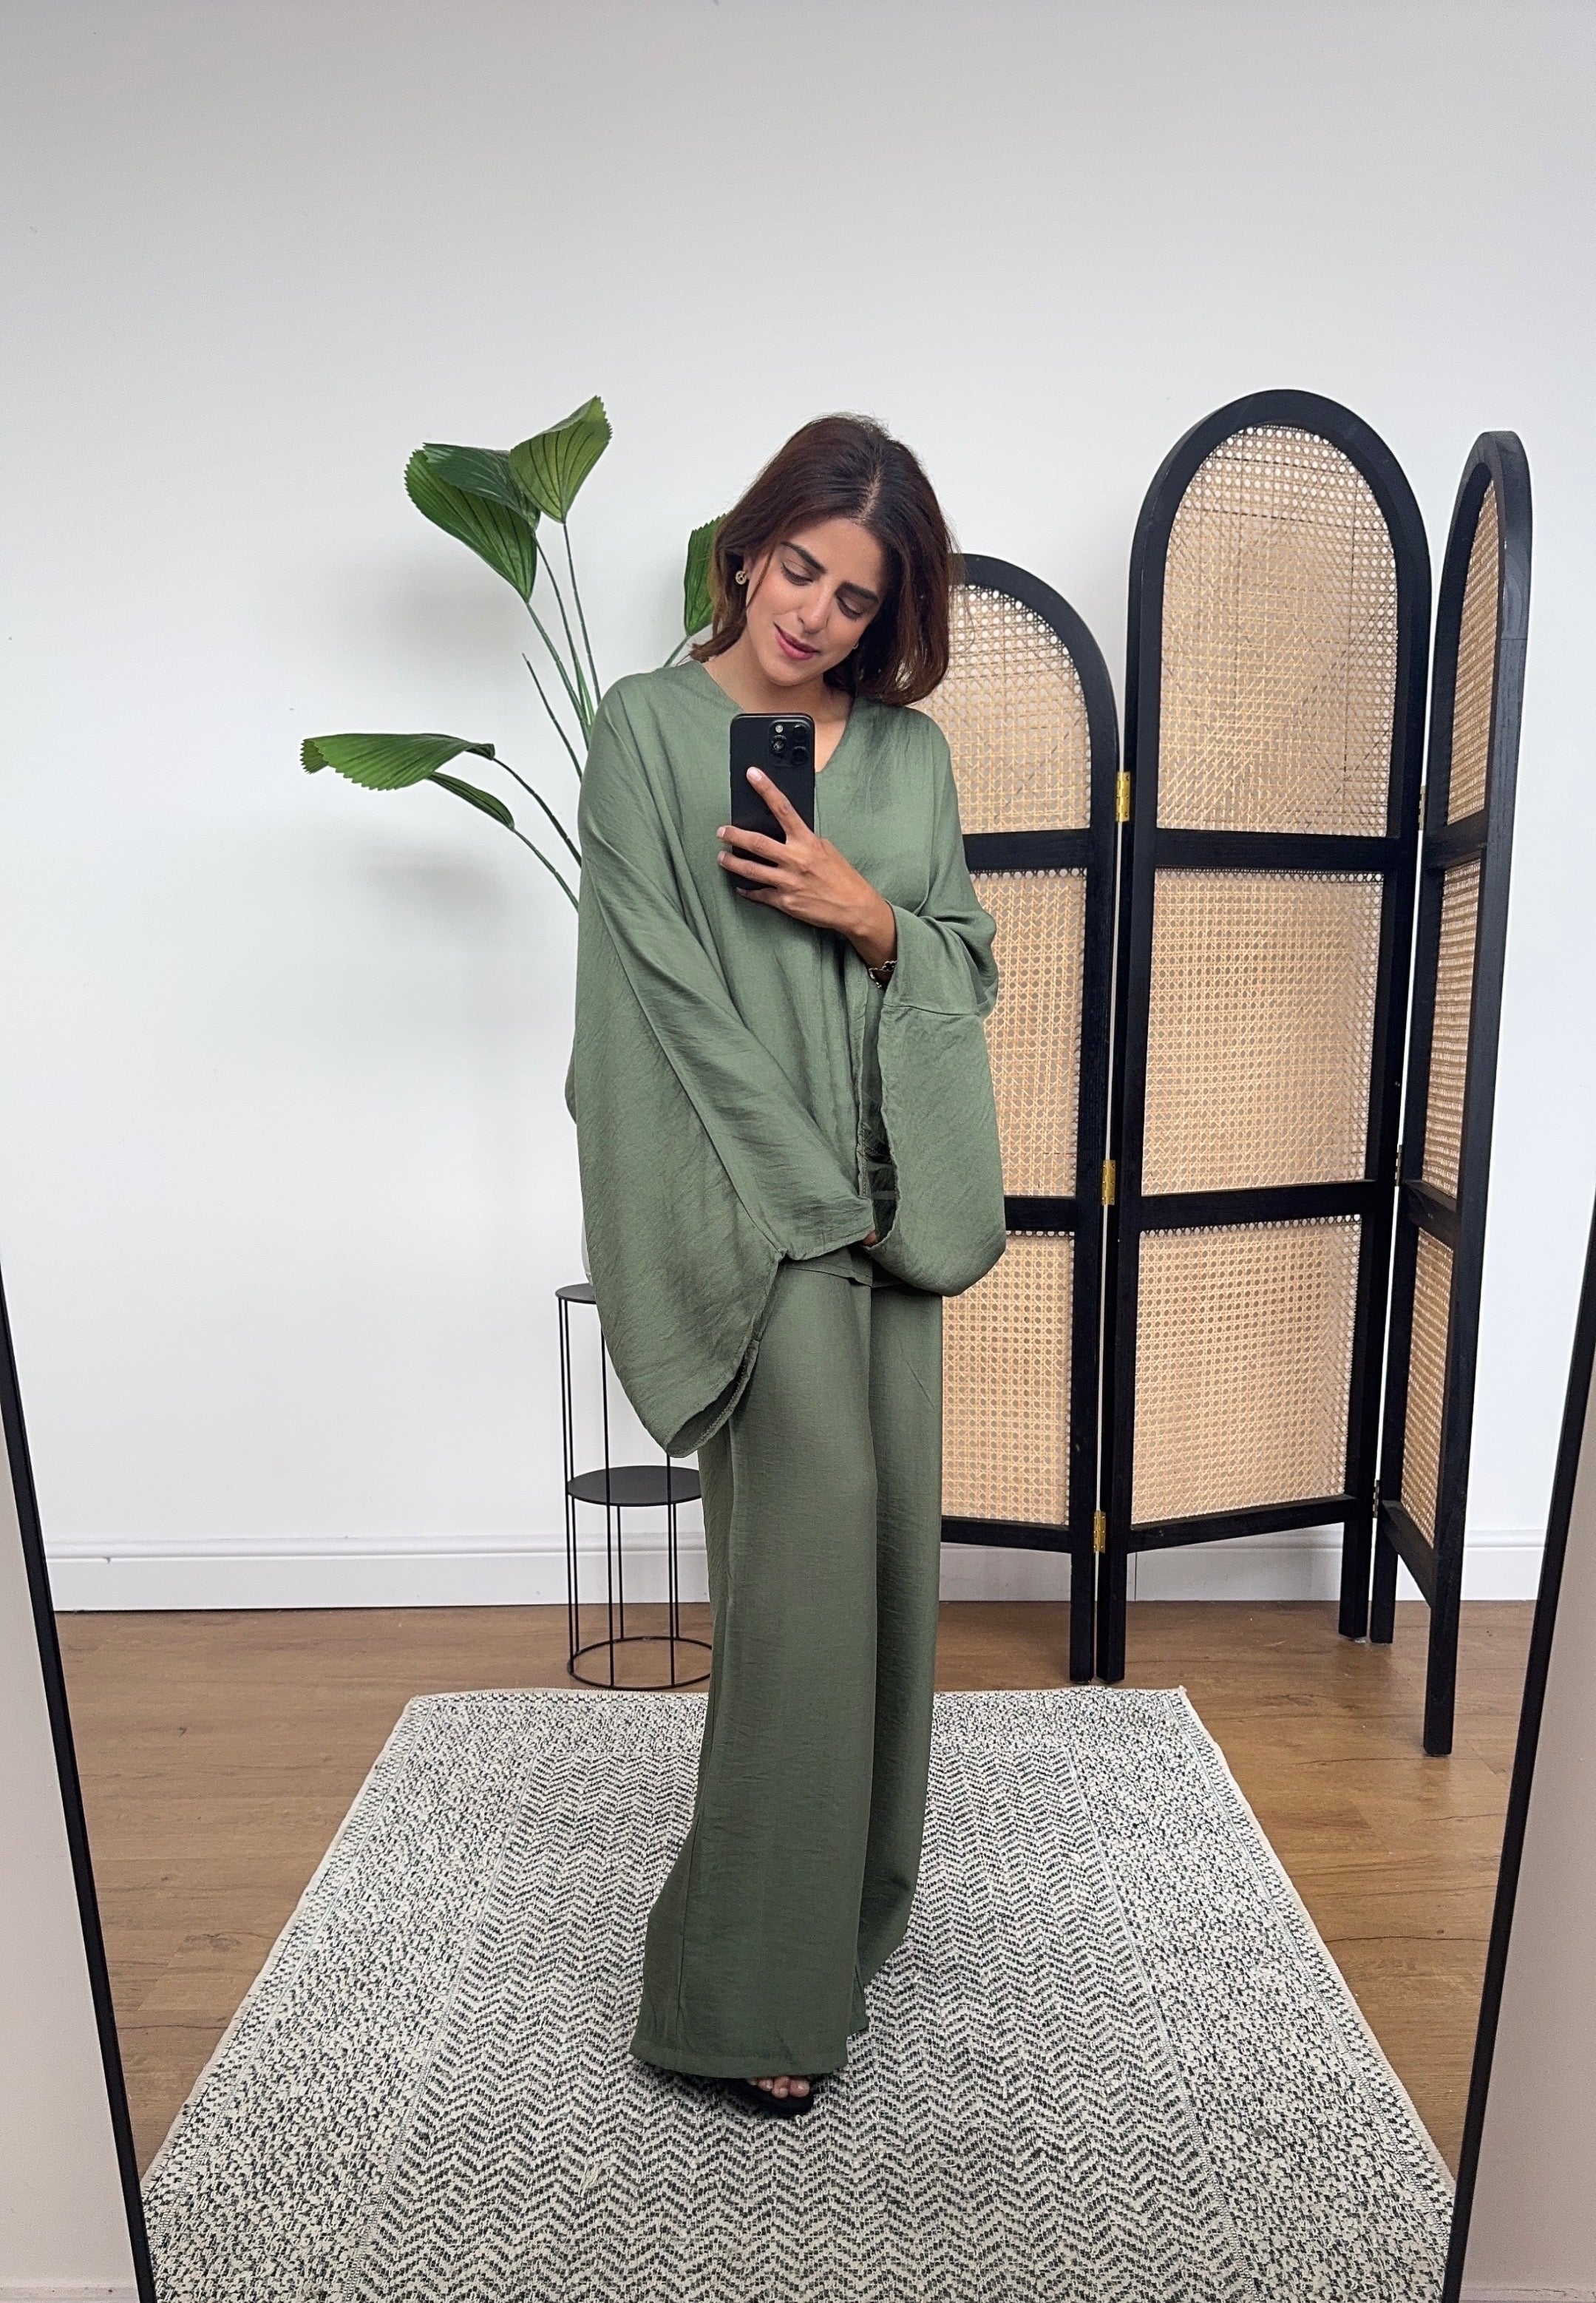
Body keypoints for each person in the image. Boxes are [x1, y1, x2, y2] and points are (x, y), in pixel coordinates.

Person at [567, 413, 1005, 2117]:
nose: (813, 613)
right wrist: (801, 1191)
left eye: (855, 595)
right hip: (759, 1207)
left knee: (882, 1579)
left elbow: (961, 955)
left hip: (897, 1198)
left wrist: (863, 909)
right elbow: (656, 994)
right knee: (802, 1594)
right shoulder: (645, 729)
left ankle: (839, 1928)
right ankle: (738, 1989)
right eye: (798, 568)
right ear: (749, 549)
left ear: (892, 613)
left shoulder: (907, 761)